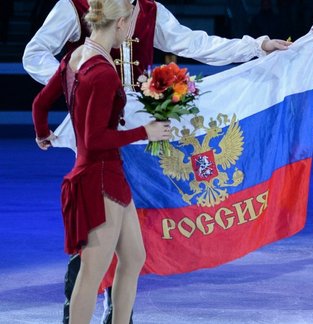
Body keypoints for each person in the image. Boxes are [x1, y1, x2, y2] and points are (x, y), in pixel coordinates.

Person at [22, 1, 290, 323]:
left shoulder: (149, 9)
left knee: (132, 251)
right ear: (121, 22)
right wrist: (80, 89)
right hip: (102, 142)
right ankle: (76, 312)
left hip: (133, 138)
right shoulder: (74, 10)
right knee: (96, 247)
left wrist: (256, 46)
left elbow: (194, 42)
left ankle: (119, 315)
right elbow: (35, 55)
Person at [31, 0, 172, 322]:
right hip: (100, 178)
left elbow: (40, 103)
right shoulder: (104, 72)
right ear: (121, 23)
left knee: (134, 257)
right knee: (92, 272)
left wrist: (43, 135)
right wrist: (144, 132)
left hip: (109, 175)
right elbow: (95, 139)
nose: (137, 28)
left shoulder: (76, 57)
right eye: (134, 21)